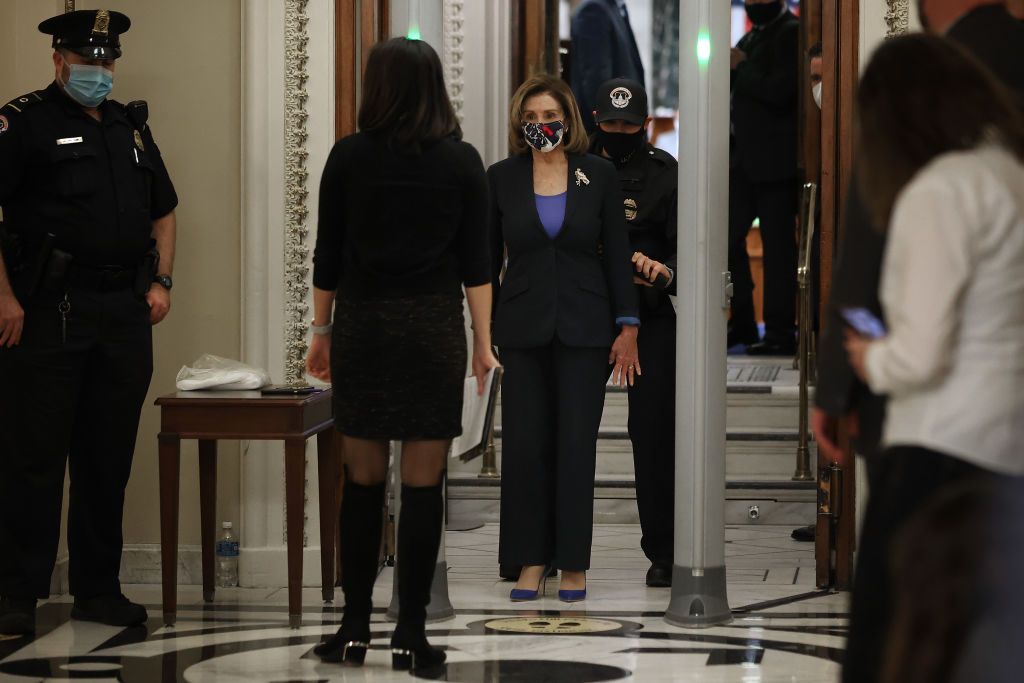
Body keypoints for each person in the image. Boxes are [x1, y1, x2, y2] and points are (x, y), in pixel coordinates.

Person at [304, 37, 498, 671]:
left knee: (360, 483)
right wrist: (483, 343)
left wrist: (322, 333)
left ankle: (353, 629)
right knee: (422, 485)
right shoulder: (462, 161)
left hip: (364, 327)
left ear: (376, 87)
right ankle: (411, 633)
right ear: (436, 88)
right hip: (430, 330)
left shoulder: (348, 156)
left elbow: (327, 255)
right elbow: (477, 265)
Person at [839, 34, 1024, 683]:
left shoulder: (940, 191)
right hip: (1005, 453)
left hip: (935, 451)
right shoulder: (1008, 170)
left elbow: (921, 356)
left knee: (889, 645)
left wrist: (870, 357)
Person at [0, 10, 177, 636]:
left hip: (121, 313)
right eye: (86, 63)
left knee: (107, 459)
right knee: (34, 458)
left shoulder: (129, 127)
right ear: (58, 61)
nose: (97, 73)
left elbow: (165, 210)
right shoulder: (24, 122)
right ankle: (16, 593)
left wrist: (161, 282)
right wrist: (5, 298)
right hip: (48, 310)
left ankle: (97, 590)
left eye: (105, 63)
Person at [489, 74, 639, 604]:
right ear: (518, 123)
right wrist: (483, 338)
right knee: (527, 447)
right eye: (529, 118)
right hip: (522, 327)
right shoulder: (501, 177)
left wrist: (628, 326)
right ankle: (532, 561)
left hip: (584, 327)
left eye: (548, 116)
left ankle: (573, 563)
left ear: (568, 119)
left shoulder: (595, 174)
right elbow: (486, 264)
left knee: (576, 445)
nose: (540, 126)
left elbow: (617, 256)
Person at [589, 78, 678, 587]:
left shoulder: (667, 174)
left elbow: (686, 247)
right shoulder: (577, 172)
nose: (619, 132)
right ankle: (551, 548)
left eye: (629, 125)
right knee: (571, 429)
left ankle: (663, 550)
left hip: (652, 320)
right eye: (610, 124)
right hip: (591, 312)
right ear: (596, 122)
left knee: (654, 435)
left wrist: (661, 269)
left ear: (645, 124)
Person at [728, 0, 800, 355]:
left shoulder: (792, 33)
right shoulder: (751, 37)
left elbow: (782, 90)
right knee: (726, 240)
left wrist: (742, 68)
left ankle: (780, 333)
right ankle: (741, 323)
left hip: (776, 164)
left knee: (778, 252)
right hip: (742, 161)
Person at [570, 0, 646, 133]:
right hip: (611, 134)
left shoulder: (615, 7)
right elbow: (595, 81)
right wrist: (610, 133)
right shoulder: (594, 11)